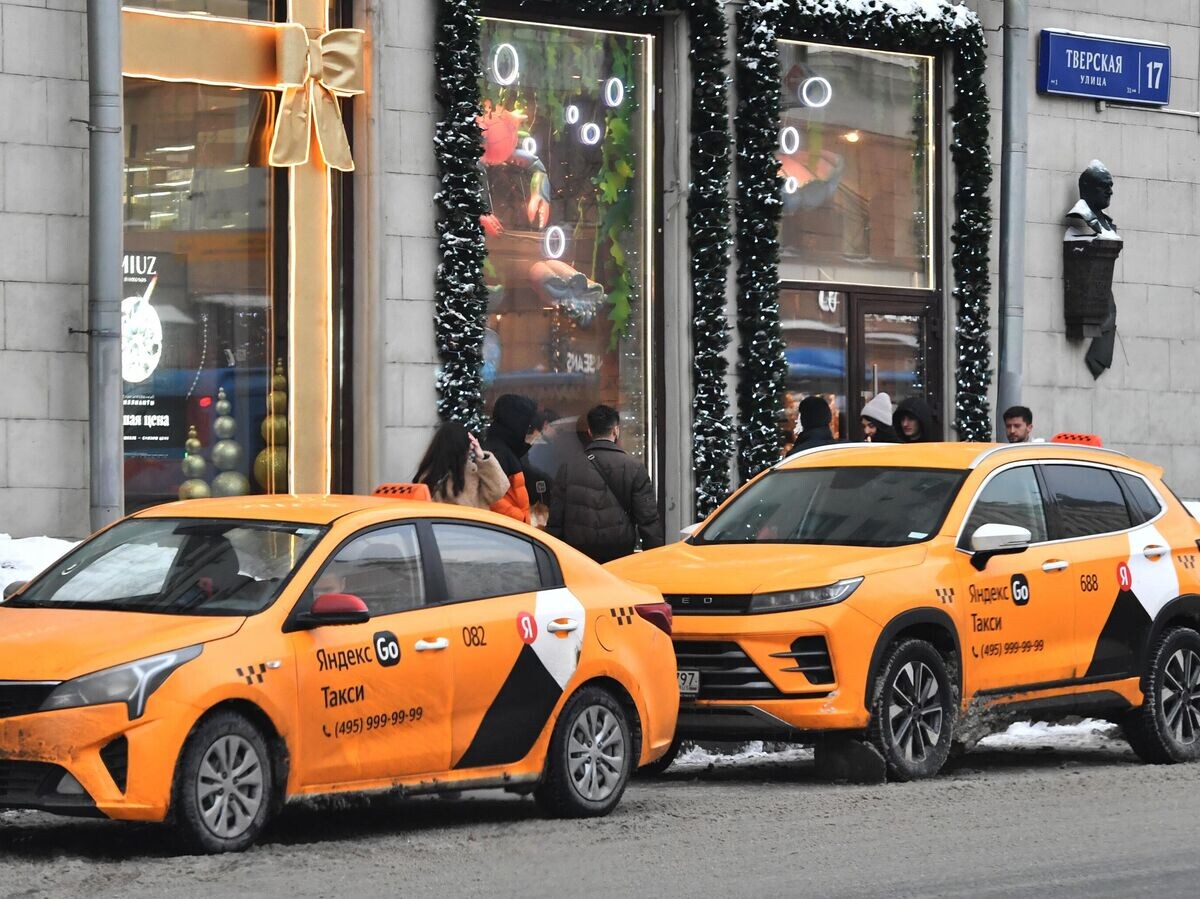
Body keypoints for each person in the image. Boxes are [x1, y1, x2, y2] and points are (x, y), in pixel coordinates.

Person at [547, 404, 664, 563]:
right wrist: (655, 560)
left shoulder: (568, 467)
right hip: (619, 554)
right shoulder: (634, 468)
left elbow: (556, 520)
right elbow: (648, 521)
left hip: (578, 556)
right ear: (616, 430)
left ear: (589, 432)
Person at [414, 421, 508, 509]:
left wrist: (483, 458)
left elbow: (499, 490)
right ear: (463, 447)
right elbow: (499, 490)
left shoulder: (428, 476)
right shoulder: (432, 477)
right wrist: (481, 456)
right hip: (473, 525)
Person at [482, 393, 537, 522]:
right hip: (508, 532)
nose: (528, 430)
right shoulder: (498, 453)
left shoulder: (503, 448)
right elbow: (491, 497)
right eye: (527, 425)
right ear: (517, 423)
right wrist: (521, 518)